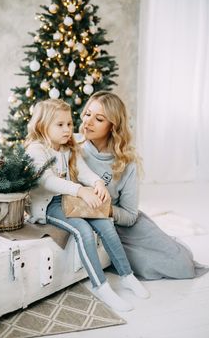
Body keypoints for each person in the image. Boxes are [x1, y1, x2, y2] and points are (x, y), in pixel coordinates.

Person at [25, 98, 150, 312]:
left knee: (105, 223)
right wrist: (81, 191)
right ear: (42, 125)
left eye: (70, 124)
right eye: (60, 125)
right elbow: (46, 181)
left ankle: (127, 275)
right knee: (83, 229)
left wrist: (97, 182)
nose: (68, 129)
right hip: (49, 205)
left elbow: (82, 171)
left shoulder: (68, 148)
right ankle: (101, 286)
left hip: (71, 199)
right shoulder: (37, 149)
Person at [79, 91, 208, 280]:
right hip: (97, 227)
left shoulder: (126, 162)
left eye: (98, 119)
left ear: (113, 126)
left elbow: (130, 215)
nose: (88, 122)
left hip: (123, 223)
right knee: (139, 262)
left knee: (181, 264)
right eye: (87, 114)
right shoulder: (72, 148)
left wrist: (104, 209)